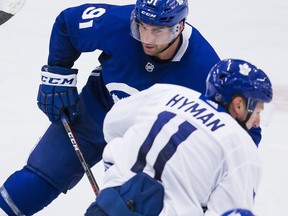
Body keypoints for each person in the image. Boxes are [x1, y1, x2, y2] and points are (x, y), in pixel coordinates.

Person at [0, 0, 257, 215]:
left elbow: (237, 131)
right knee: (33, 183)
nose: (146, 38)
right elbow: (68, 24)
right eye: (141, 27)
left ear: (179, 26)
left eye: (158, 31)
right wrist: (57, 75)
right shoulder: (118, 22)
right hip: (95, 110)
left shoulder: (203, 68)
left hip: (151, 144)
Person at [84, 59, 273, 216]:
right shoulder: (241, 147)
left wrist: (117, 176)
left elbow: (112, 124)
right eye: (257, 110)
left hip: (105, 206)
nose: (257, 122)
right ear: (238, 105)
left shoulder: (165, 93)